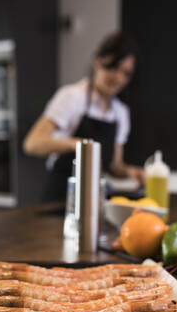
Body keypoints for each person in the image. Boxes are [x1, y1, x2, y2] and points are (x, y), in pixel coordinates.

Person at [23, 31, 145, 201]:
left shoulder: (121, 112)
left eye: (126, 73)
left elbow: (115, 166)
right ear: (97, 61)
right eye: (113, 68)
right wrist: (77, 144)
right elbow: (32, 144)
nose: (118, 78)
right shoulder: (72, 97)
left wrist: (133, 172)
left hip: (93, 198)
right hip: (61, 197)